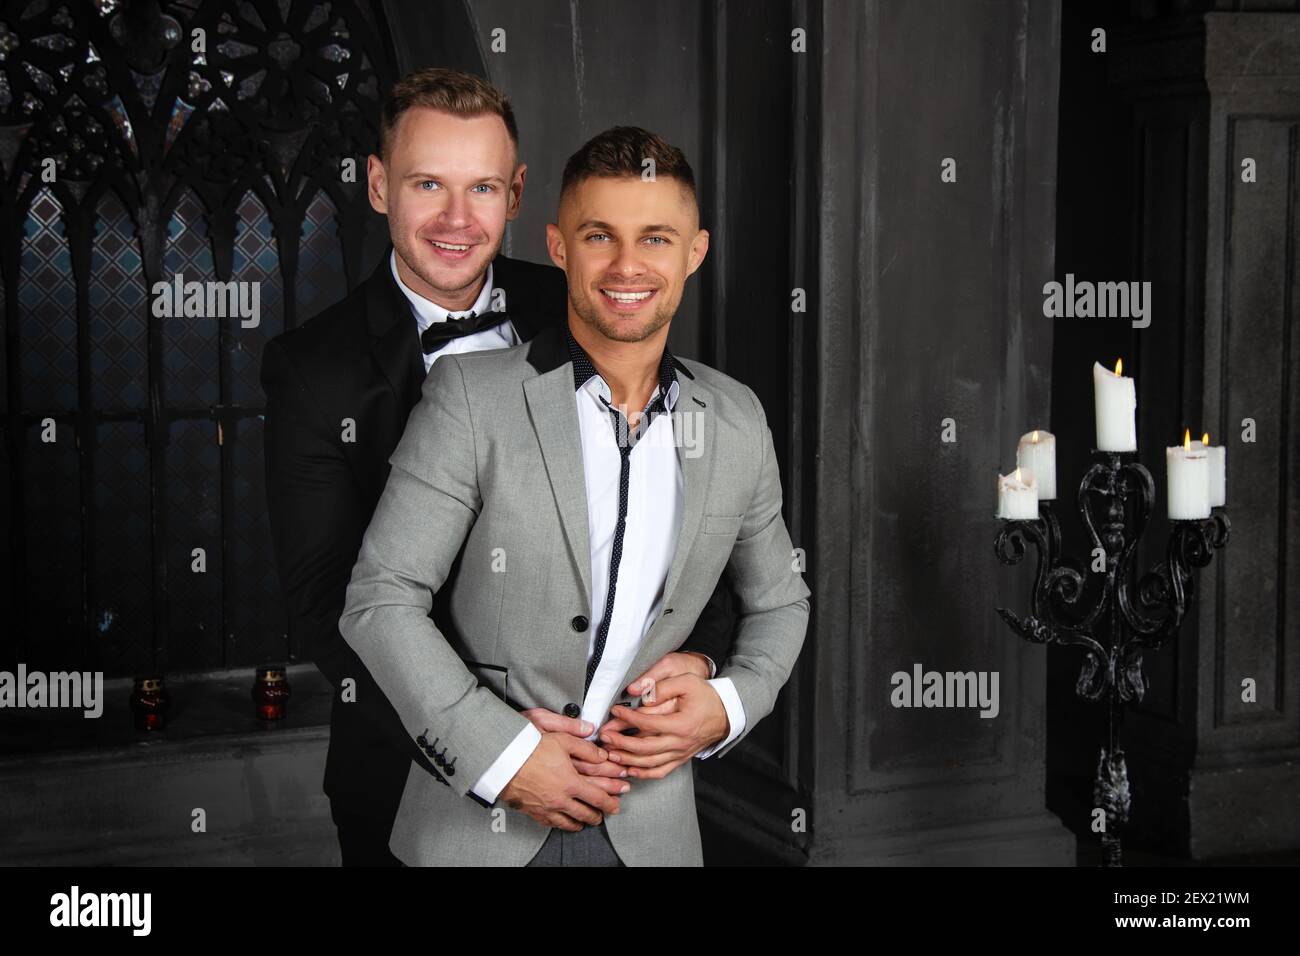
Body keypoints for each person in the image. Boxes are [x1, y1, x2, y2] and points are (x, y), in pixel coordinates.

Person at [261, 70, 735, 866]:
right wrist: (495, 746)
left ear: (516, 196)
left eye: (481, 187)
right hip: (411, 776)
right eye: (426, 185)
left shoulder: (589, 295)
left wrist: (705, 659)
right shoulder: (311, 369)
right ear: (378, 185)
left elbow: (690, 508)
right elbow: (328, 604)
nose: (456, 218)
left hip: (614, 771)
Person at [339, 125, 810, 866]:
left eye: (656, 238)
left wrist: (727, 702)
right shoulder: (469, 397)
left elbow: (781, 603)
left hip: (652, 835)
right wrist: (498, 755)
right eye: (600, 236)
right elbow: (382, 596)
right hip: (473, 831)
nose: (627, 265)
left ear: (695, 252)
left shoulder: (736, 419)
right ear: (559, 247)